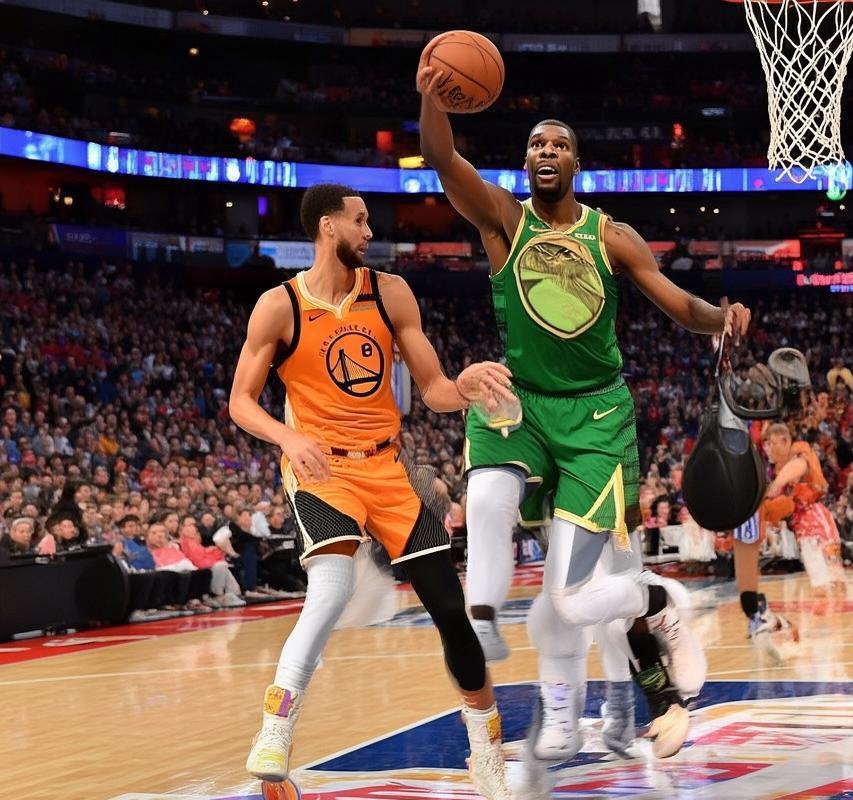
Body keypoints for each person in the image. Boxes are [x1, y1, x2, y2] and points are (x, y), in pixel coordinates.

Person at [417, 66, 751, 761]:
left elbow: (677, 304)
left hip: (597, 418)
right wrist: (431, 94)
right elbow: (442, 158)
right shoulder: (505, 220)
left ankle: (650, 672)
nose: (546, 151)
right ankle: (584, 685)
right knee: (542, 569)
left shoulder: (611, 236)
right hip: (524, 409)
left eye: (559, 145)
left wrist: (721, 318)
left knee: (589, 587)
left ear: (576, 163)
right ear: (526, 162)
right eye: (536, 144)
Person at [229, 182, 517, 798]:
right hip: (322, 469)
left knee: (451, 613)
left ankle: (486, 750)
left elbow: (434, 389)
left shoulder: (390, 293)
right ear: (328, 225)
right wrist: (288, 437)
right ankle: (276, 728)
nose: (368, 232)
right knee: (331, 588)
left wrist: (464, 387)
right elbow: (241, 403)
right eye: (359, 221)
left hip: (388, 469)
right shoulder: (279, 305)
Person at [764, 424, 847, 589]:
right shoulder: (782, 466)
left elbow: (779, 485)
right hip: (817, 522)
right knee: (835, 578)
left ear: (785, 441)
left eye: (773, 443)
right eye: (767, 444)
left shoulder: (799, 456)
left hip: (812, 522)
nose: (769, 448)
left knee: (825, 581)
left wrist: (769, 492)